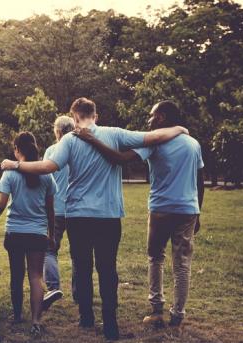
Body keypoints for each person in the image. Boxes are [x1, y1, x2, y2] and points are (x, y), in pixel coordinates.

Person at [1, 97, 189, 340]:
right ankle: (110, 324)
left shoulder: (69, 140)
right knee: (107, 268)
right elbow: (153, 137)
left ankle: (86, 318)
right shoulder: (115, 133)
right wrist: (179, 129)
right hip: (108, 215)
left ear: (75, 117)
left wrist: (15, 165)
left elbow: (47, 167)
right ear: (95, 116)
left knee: (83, 267)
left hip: (78, 215)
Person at [74, 100, 205, 328]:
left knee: (156, 257)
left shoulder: (155, 143)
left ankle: (157, 309)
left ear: (162, 117)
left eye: (152, 115)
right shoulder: (193, 144)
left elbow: (120, 159)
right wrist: (198, 212)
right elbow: (199, 180)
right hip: (188, 210)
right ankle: (178, 314)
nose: (149, 119)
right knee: (182, 263)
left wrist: (92, 139)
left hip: (161, 209)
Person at [0, 132, 57, 334]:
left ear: (17, 150)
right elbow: (51, 209)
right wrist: (51, 234)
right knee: (35, 276)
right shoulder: (46, 175)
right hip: (37, 233)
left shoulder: (9, 174)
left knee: (17, 275)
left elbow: (0, 205)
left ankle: (17, 316)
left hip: (15, 232)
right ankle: (35, 321)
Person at [42, 116, 74, 310]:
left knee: (49, 249)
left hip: (56, 209)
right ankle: (79, 293)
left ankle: (54, 287)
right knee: (78, 252)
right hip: (77, 209)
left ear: (57, 131)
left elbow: (45, 180)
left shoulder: (52, 151)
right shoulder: (80, 151)